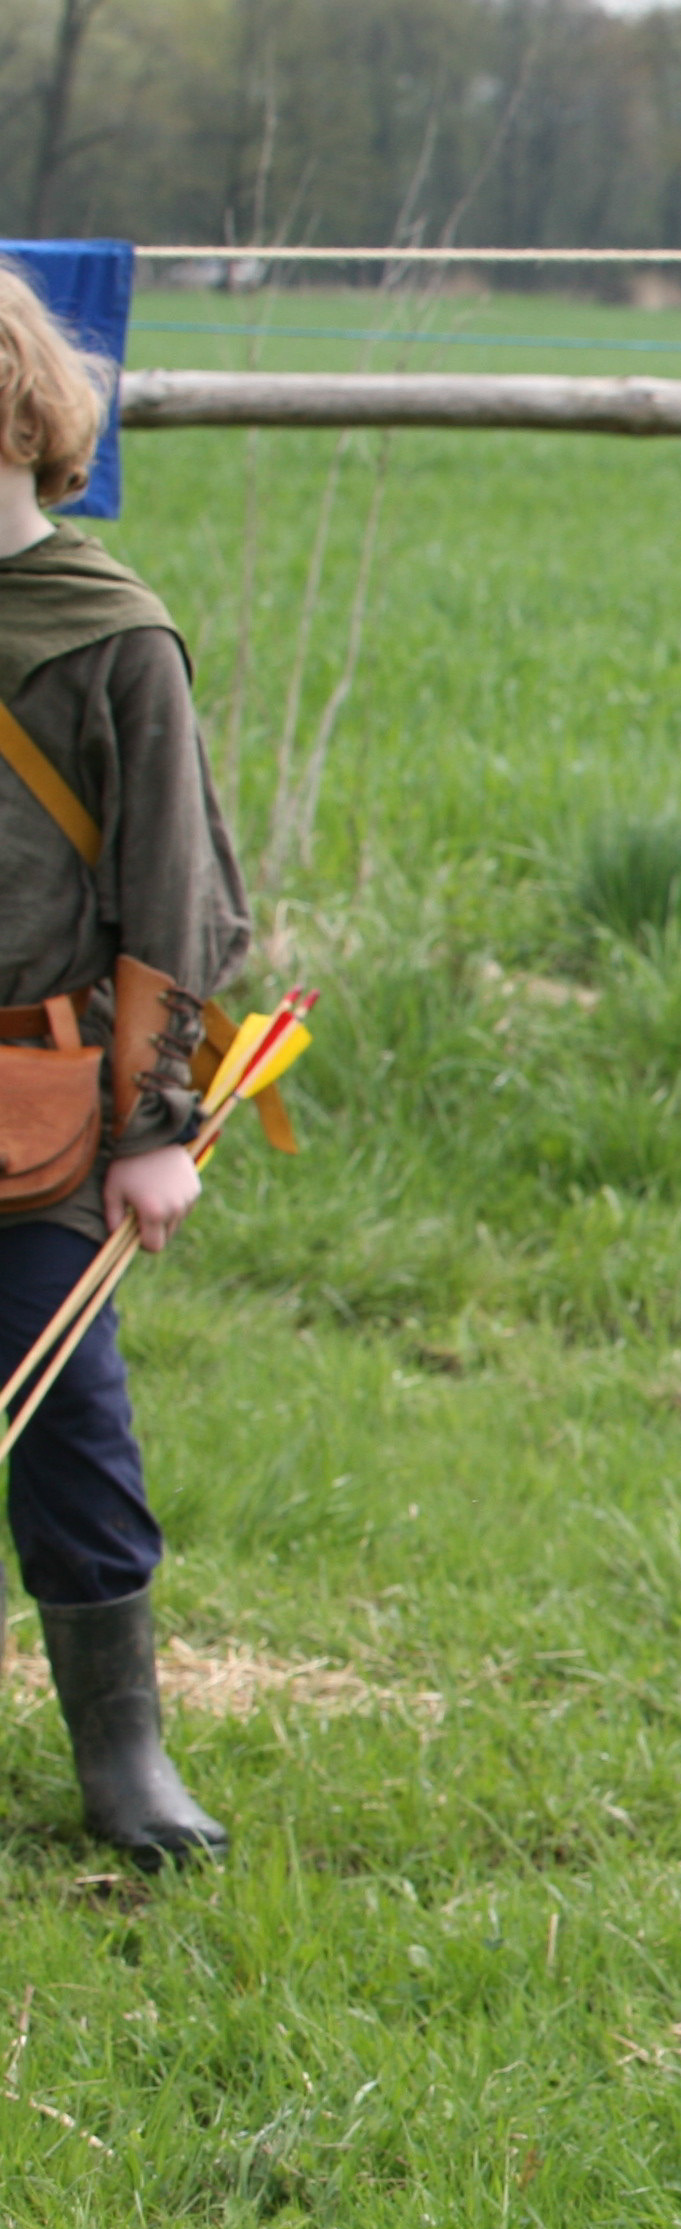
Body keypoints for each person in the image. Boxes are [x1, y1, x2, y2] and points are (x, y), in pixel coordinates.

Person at [0, 264, 245, 1868]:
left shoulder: (111, 636)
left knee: (67, 1427)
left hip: (35, 1114)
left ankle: (124, 1757)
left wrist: (159, 1127)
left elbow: (178, 899)